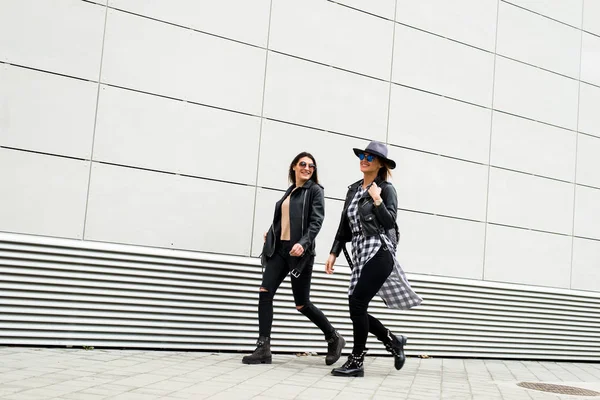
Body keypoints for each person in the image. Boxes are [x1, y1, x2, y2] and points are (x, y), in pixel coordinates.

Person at [325, 141, 422, 377]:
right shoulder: (354, 190)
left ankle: (357, 360)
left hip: (379, 250)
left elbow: (389, 222)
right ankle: (392, 340)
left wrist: (377, 200)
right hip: (360, 251)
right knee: (356, 307)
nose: (364, 160)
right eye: (362, 155)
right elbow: (344, 225)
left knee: (357, 303)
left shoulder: (386, 189)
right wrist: (334, 251)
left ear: (380, 164)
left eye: (370, 157)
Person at [242, 152, 346, 365]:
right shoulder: (290, 192)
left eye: (311, 166)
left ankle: (334, 337)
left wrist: (304, 243)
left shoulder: (315, 191)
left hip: (300, 253)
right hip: (280, 250)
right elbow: (283, 220)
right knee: (265, 292)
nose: (307, 168)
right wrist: (272, 232)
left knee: (302, 304)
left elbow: (317, 221)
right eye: (303, 164)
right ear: (294, 167)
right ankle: (263, 348)